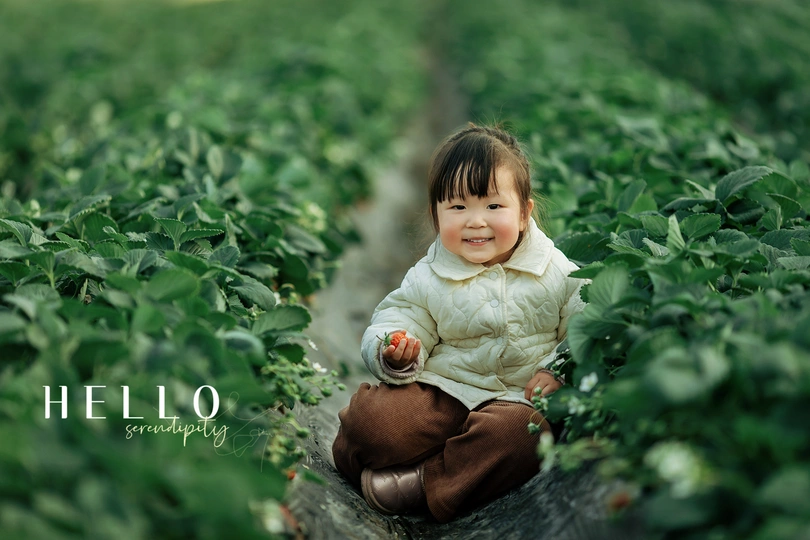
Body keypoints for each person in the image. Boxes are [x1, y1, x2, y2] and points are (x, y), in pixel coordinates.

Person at [332, 122, 588, 523]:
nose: (475, 221)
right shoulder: (429, 275)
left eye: (493, 206)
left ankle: (424, 482)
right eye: (457, 207)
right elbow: (402, 314)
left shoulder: (555, 271)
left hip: (515, 400)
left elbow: (586, 325)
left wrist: (556, 369)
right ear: (436, 216)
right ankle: (383, 461)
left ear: (524, 214)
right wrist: (394, 348)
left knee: (524, 435)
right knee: (371, 423)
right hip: (445, 390)